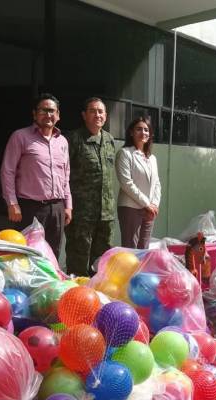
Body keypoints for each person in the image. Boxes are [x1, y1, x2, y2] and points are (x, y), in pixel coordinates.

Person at [0, 93, 71, 259]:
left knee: (52, 256)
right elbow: (7, 171)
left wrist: (68, 205)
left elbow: (66, 175)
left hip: (57, 208)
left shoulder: (62, 141)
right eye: (43, 110)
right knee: (28, 256)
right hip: (30, 208)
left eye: (52, 111)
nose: (48, 114)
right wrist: (12, 203)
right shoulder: (20, 137)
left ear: (58, 115)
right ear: (34, 114)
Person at [64, 98, 117, 276]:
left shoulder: (109, 140)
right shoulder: (74, 139)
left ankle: (98, 290)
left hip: (106, 213)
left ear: (106, 116)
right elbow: (64, 173)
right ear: (84, 115)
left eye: (101, 111)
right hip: (81, 213)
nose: (97, 115)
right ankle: (77, 291)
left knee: (102, 260)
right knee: (78, 259)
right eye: (93, 111)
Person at [115, 117, 161, 249]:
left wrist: (154, 204)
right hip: (130, 208)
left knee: (144, 249)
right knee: (131, 250)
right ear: (131, 132)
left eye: (146, 130)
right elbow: (126, 183)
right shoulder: (125, 153)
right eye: (139, 129)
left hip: (149, 210)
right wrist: (147, 204)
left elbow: (157, 183)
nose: (143, 132)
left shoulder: (152, 158)